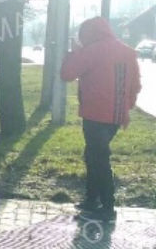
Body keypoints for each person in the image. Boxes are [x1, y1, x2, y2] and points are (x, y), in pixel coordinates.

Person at [60, 17, 141, 223]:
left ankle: (106, 208)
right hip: (116, 116)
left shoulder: (91, 50)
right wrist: (125, 107)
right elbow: (136, 85)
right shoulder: (128, 51)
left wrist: (74, 52)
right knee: (94, 155)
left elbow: (67, 74)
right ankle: (92, 199)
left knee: (99, 159)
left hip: (95, 114)